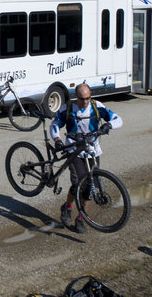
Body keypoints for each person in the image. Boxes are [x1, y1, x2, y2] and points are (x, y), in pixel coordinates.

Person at [50, 83, 123, 233]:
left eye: (88, 98)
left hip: (92, 151)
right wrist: (57, 139)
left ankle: (81, 218)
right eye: (82, 99)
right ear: (76, 96)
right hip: (74, 150)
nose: (85, 102)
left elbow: (118, 119)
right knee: (78, 183)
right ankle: (68, 207)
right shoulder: (68, 108)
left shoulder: (96, 106)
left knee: (90, 187)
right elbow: (55, 124)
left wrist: (108, 125)